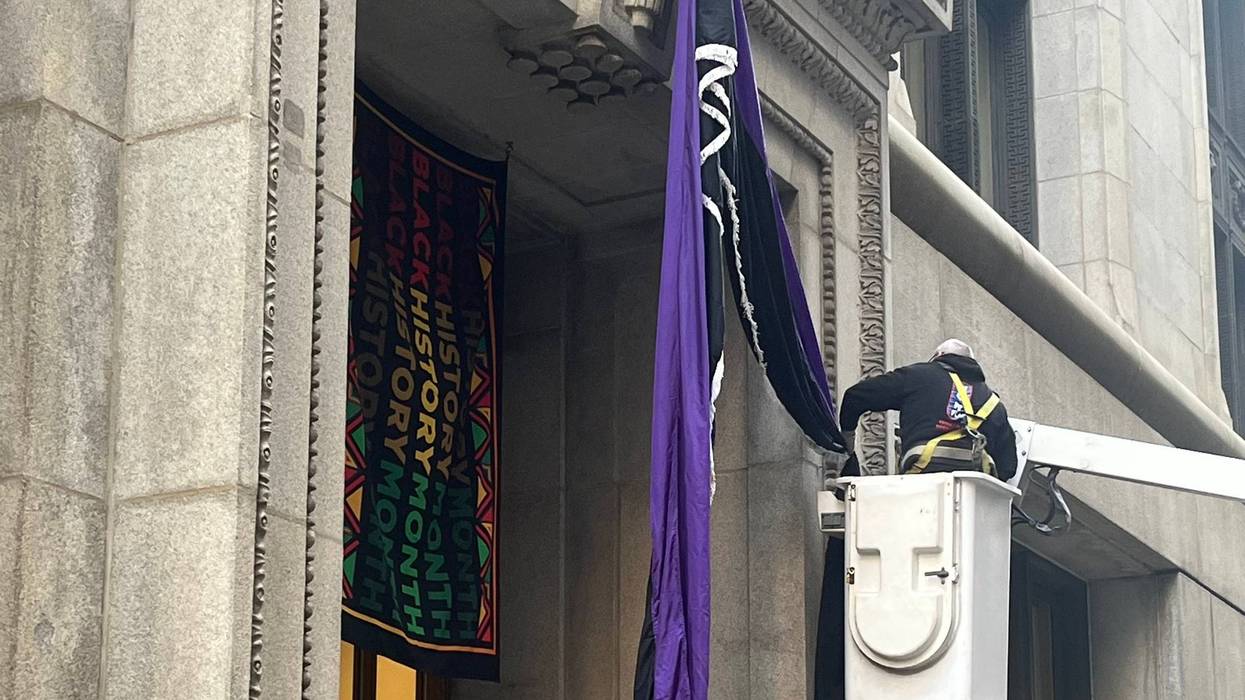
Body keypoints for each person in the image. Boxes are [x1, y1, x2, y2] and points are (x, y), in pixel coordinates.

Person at [837, 338, 1017, 482]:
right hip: (971, 500)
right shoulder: (994, 405)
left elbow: (856, 396)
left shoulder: (920, 376)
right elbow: (1008, 467)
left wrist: (847, 441)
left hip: (922, 479)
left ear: (938, 357)